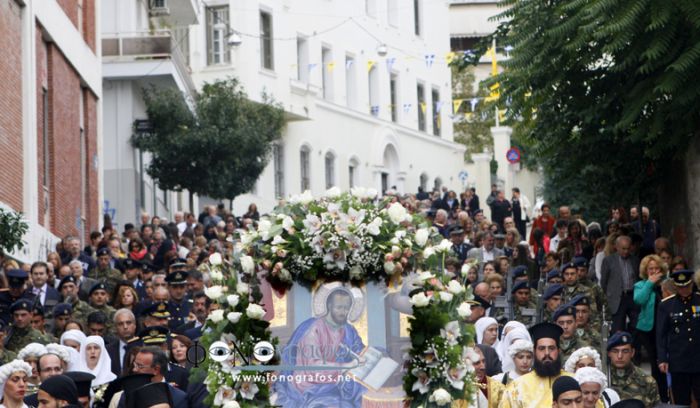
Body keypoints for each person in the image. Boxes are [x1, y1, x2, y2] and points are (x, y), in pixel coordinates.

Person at [274, 287, 366, 407]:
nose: (343, 312)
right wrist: (347, 366)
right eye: (339, 307)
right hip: (311, 385)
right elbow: (314, 367)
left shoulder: (349, 330)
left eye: (346, 308)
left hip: (336, 382)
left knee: (365, 393)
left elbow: (359, 350)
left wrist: (364, 357)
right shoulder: (314, 330)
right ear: (329, 306)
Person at [500, 323, 570, 407]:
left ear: (559, 351)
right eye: (541, 348)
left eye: (551, 348)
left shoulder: (573, 380)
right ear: (534, 351)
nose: (547, 353)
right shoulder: (517, 386)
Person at [656, 269, 700, 405]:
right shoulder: (666, 305)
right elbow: (661, 335)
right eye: (680, 287)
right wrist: (662, 358)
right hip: (678, 360)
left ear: (691, 284)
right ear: (676, 286)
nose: (684, 290)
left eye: (686, 286)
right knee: (681, 400)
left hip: (698, 358)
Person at [632, 254, 667, 401]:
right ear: (645, 271)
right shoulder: (641, 285)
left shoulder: (667, 283)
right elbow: (639, 299)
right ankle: (659, 395)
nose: (653, 271)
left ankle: (667, 393)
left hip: (666, 327)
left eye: (656, 268)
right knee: (655, 361)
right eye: (650, 268)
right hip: (648, 329)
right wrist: (650, 283)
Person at [606, 332, 659, 406]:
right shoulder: (602, 378)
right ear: (609, 353)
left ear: (632, 352)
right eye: (615, 351)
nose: (620, 356)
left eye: (625, 351)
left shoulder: (647, 381)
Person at [600, 236, 639, 333]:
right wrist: (608, 296)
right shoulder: (608, 261)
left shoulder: (635, 260)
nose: (626, 251)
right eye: (623, 248)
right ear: (616, 247)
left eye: (628, 248)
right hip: (617, 298)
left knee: (637, 326)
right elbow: (604, 282)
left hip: (632, 296)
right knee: (617, 328)